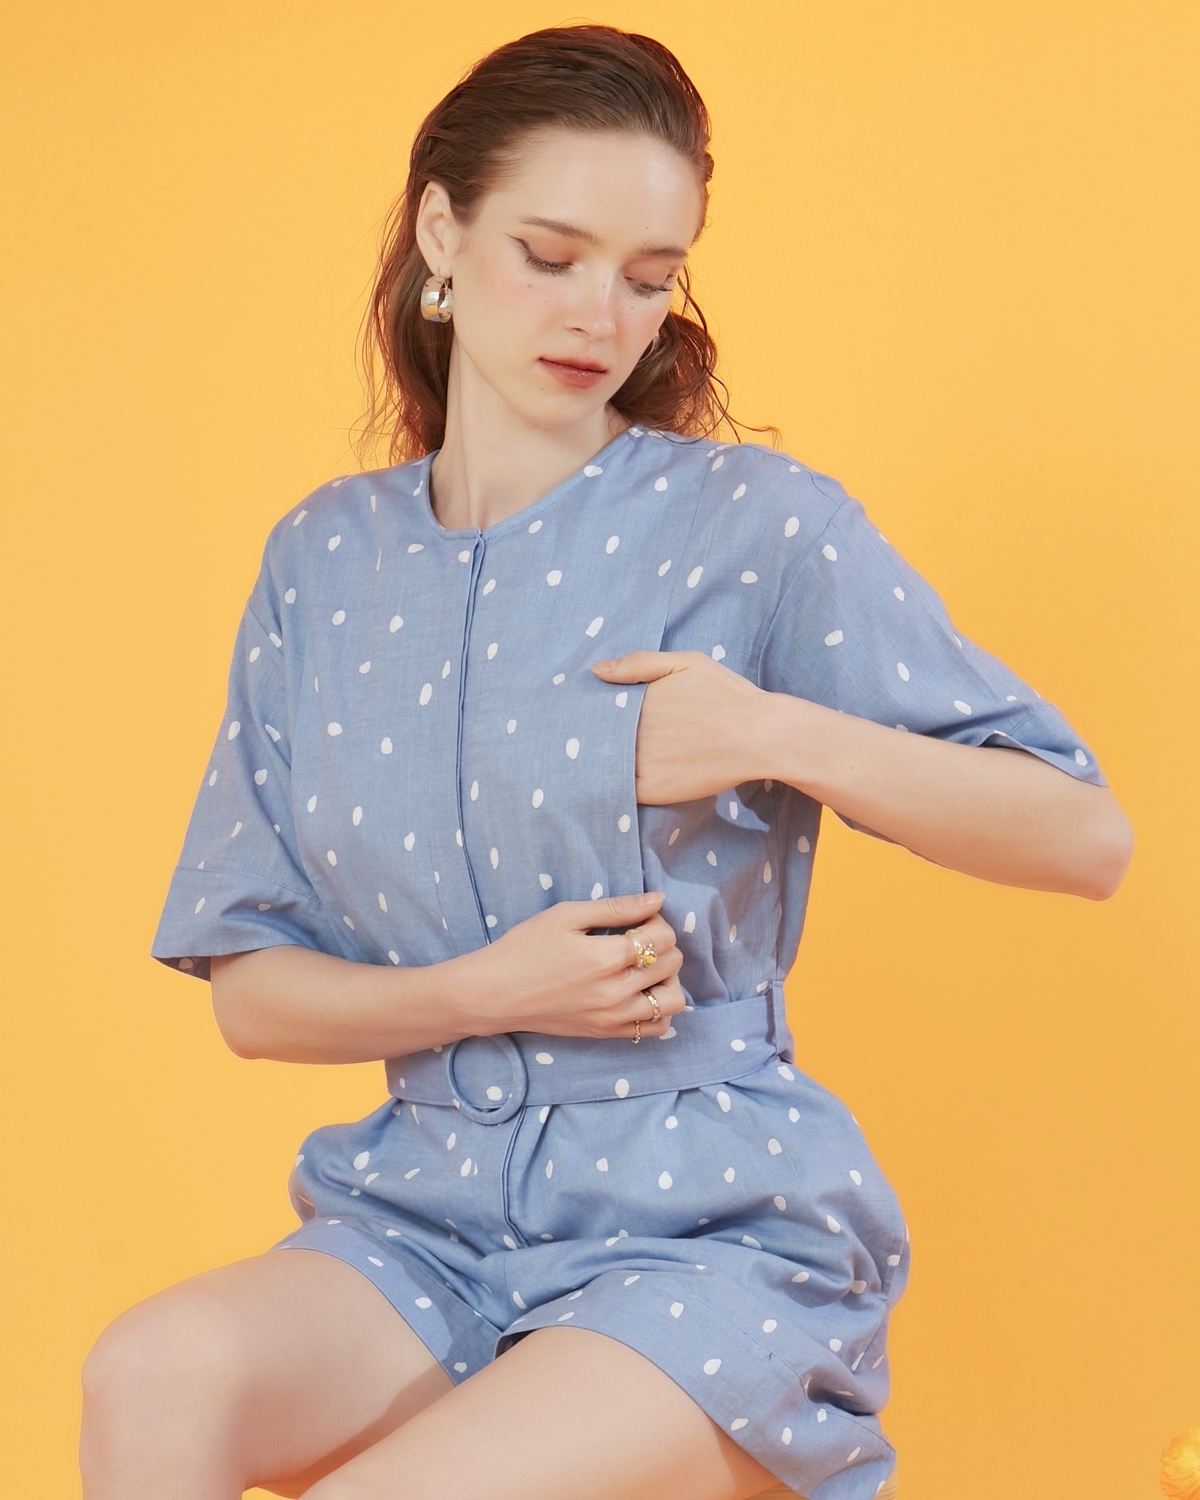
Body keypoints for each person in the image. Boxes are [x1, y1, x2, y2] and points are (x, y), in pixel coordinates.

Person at [78, 24, 1133, 1500]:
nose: (599, 316)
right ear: (441, 231)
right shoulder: (324, 560)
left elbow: (1085, 836)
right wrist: (483, 994)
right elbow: (251, 993)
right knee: (146, 1378)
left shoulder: (756, 526)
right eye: (551, 255)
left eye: (649, 277)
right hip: (422, 1219)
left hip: (706, 1231)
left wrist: (768, 732)